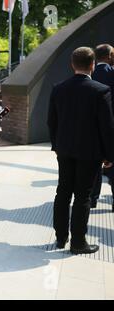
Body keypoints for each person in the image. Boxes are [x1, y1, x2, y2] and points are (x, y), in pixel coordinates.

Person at [47, 46, 114, 254]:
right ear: (92, 65)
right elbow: (107, 126)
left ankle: (60, 238)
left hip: (65, 150)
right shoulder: (101, 90)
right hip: (90, 152)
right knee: (82, 197)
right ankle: (78, 242)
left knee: (63, 192)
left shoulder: (58, 88)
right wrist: (109, 155)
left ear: (72, 64)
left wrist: (57, 146)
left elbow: (52, 122)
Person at [89, 44, 114, 209]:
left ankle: (92, 199)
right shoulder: (112, 73)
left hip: (92, 126)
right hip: (112, 124)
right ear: (110, 55)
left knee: (94, 164)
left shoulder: (89, 73)